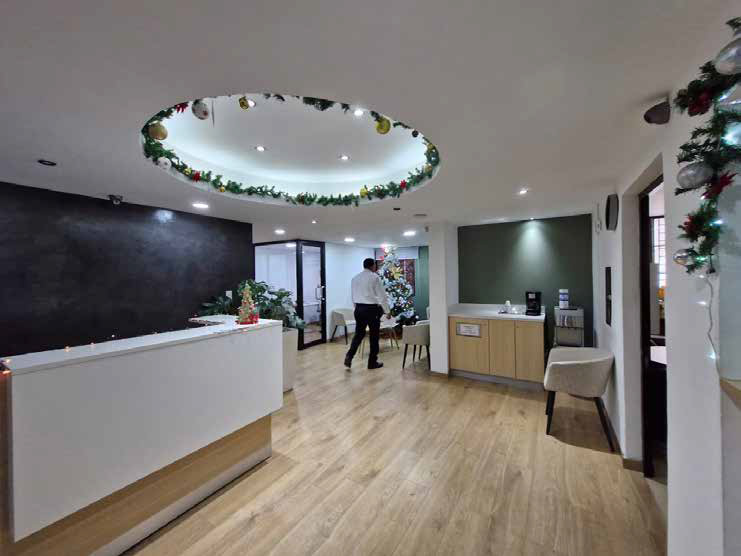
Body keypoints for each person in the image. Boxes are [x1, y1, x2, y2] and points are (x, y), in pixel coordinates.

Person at [344, 258, 390, 370]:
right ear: (372, 266)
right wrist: (387, 311)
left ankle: (349, 355)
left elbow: (353, 295)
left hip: (359, 309)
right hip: (371, 310)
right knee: (374, 336)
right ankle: (372, 363)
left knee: (358, 334)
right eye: (375, 265)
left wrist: (357, 308)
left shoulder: (355, 278)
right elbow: (382, 296)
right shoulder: (375, 277)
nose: (375, 267)